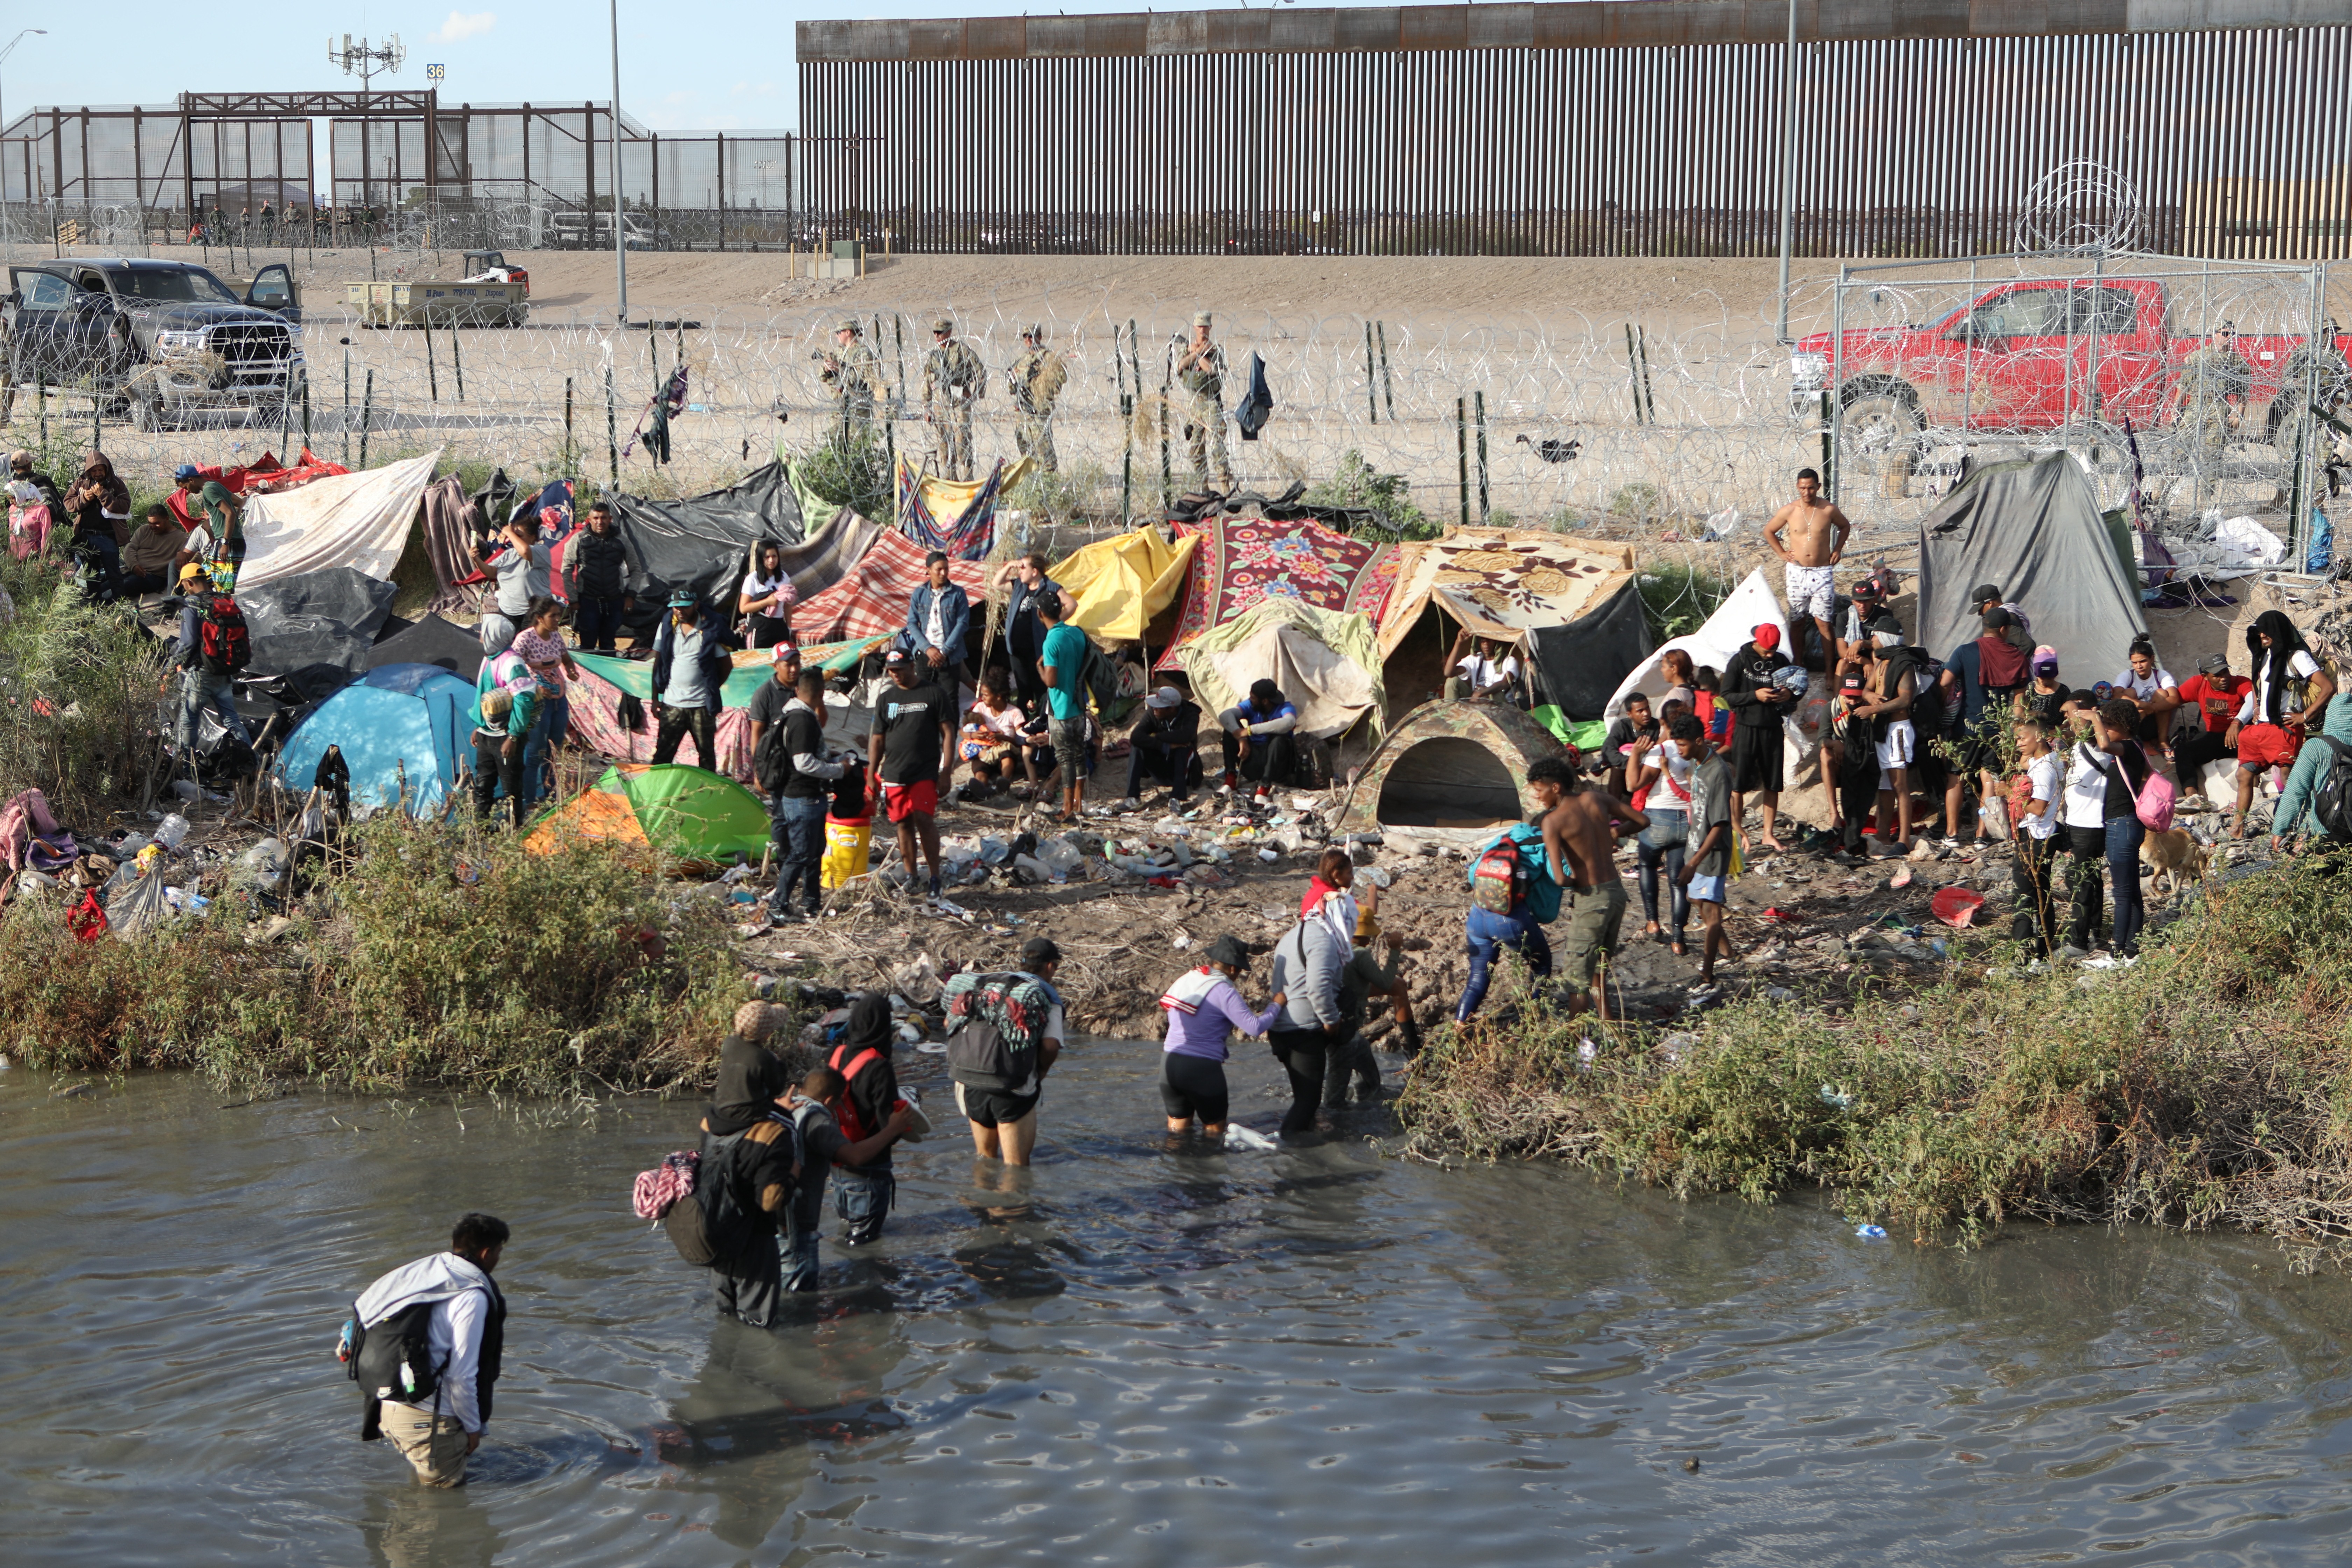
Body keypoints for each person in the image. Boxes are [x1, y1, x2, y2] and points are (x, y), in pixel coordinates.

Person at [348, 1213, 510, 1488]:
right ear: (486, 1253)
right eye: (499, 1252)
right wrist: (474, 1429)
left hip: (390, 1408)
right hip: (429, 1421)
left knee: (420, 1499)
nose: (497, 1259)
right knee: (444, 1513)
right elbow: (462, 1376)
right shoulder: (471, 1296)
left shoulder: (425, 1276)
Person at [1454, 756, 1575, 1024]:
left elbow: (1474, 873)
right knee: (1541, 965)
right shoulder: (1546, 845)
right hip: (1509, 918)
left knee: (1478, 977)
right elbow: (1561, 877)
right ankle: (1532, 1023)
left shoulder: (1505, 838)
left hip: (1477, 915)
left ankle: (1459, 1027)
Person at [697, 1012, 799, 1326]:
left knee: (727, 1320)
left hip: (715, 1236)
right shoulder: (772, 1134)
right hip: (753, 1242)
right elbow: (770, 1200)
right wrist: (794, 1173)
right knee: (758, 1328)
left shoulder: (708, 1124)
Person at [779, 1065, 914, 1292]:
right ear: (832, 1100)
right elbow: (854, 1156)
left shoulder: (781, 1108)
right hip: (795, 1227)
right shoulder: (817, 1120)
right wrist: (893, 1129)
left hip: (770, 1216)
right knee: (800, 1299)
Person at [1542, 757, 1645, 1020]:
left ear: (1555, 787)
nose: (1536, 796)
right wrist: (1615, 833)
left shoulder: (1552, 821)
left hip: (1591, 900)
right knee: (1599, 966)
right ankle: (1609, 1025)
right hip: (1616, 893)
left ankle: (1577, 1040)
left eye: (1538, 788)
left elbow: (1560, 879)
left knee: (1577, 977)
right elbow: (1642, 821)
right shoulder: (1597, 799)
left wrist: (1575, 881)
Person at [953, 937, 1066, 1166]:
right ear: (1051, 966)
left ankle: (979, 1201)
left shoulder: (992, 984)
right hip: (1011, 1088)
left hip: (970, 1081)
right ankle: (1012, 1203)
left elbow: (951, 1025)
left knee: (984, 1161)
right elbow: (1050, 1045)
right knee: (1016, 1169)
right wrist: (1041, 1072)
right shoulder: (1043, 995)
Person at [1158, 934, 1283, 1141]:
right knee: (1213, 1134)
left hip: (1169, 1066)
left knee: (1177, 1134)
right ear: (1234, 969)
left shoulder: (1188, 981)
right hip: (1202, 1069)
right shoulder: (1224, 990)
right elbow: (1254, 1027)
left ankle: (1174, 1172)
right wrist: (1276, 1005)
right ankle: (1209, 1171)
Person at [2230, 610, 2336, 838]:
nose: (2261, 635)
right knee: (2244, 775)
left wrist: (2305, 716)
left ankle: (2302, 829)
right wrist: (2257, 707)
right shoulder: (2265, 656)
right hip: (2260, 729)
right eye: (2259, 631)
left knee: (2290, 779)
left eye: (2266, 630)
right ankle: (2238, 827)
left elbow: (2327, 687)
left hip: (2285, 728)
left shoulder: (2296, 656)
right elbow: (2260, 686)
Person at [754, 666, 843, 922]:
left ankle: (811, 904)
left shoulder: (789, 716)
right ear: (822, 693)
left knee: (815, 851)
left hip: (798, 796)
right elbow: (804, 762)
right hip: (803, 797)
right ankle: (779, 905)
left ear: (797, 690)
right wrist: (839, 770)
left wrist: (833, 759)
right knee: (802, 854)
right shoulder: (802, 720)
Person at [1937, 608, 2032, 843]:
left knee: (1955, 777)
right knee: (1989, 778)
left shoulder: (1965, 652)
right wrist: (2014, 727)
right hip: (1998, 729)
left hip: (1966, 728)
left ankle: (1952, 834)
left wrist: (1941, 712)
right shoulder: (2017, 657)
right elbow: (2020, 699)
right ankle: (1982, 836)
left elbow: (1945, 684)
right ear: (2004, 629)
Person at [826, 993, 911, 1245]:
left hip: (838, 1166)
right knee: (865, 1243)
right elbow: (890, 1126)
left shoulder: (837, 1055)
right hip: (869, 1170)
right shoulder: (879, 1066)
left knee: (849, 1232)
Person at [869, 650, 954, 899]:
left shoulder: (933, 693)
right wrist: (871, 774)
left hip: (925, 771)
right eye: (891, 670)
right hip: (895, 772)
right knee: (903, 824)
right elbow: (877, 740)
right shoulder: (886, 699)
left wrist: (946, 771)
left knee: (924, 820)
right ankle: (911, 876)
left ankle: (936, 876)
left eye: (900, 669)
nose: (895, 674)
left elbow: (948, 733)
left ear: (912, 667)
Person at [1269, 881, 1347, 1136]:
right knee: (1308, 1102)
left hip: (1281, 1029)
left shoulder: (1290, 936)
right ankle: (1287, 1154)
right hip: (1303, 1032)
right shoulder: (1322, 939)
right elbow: (1318, 987)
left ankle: (1299, 1147)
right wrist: (1332, 1022)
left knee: (1303, 1099)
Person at [1763, 468, 1852, 669]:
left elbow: (1845, 526)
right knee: (1797, 621)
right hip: (1796, 572)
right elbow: (1768, 531)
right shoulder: (1790, 510)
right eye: (1803, 488)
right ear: (1797, 487)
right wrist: (1782, 553)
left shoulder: (1828, 510)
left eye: (1811, 488)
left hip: (1822, 572)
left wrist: (1838, 549)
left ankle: (1830, 671)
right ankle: (1799, 664)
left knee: (1824, 624)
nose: (1807, 492)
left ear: (1818, 487)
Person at [1675, 714, 1737, 999]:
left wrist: (1693, 862)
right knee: (1695, 900)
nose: (1680, 751)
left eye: (1683, 746)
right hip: (1695, 845)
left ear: (1699, 742)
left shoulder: (1718, 772)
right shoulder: (1698, 764)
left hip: (1711, 853)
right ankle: (1728, 951)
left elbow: (1720, 824)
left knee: (1712, 915)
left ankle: (1707, 972)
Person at [168, 562, 253, 763]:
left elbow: (188, 643)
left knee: (189, 722)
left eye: (184, 585)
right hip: (223, 670)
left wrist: (170, 667)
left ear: (188, 583)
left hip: (201, 674)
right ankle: (253, 762)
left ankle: (187, 768)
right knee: (232, 720)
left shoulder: (191, 604)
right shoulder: (223, 599)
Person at [1628, 700, 1694, 951]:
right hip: (1686, 820)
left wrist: (1636, 754)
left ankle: (1653, 923)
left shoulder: (1662, 751)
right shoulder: (1695, 749)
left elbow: (1632, 785)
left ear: (1664, 723)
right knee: (1679, 881)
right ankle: (1678, 939)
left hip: (1658, 817)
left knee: (1647, 865)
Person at [1723, 624, 1793, 852]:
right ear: (1757, 642)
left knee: (1773, 783)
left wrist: (1788, 695)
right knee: (1739, 784)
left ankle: (1768, 835)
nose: (1771, 654)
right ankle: (1737, 832)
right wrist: (1755, 695)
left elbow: (1796, 693)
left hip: (1773, 728)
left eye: (1774, 649)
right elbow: (1726, 696)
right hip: (1745, 728)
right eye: (1767, 650)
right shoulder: (1740, 660)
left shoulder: (1782, 661)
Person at [1854, 615, 1920, 850]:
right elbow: (1867, 690)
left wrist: (1873, 708)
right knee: (1884, 785)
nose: (1872, 637)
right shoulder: (1882, 662)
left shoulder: (1904, 664)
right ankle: (1883, 835)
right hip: (1882, 730)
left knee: (1900, 785)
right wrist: (1869, 696)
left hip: (1898, 730)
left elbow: (1905, 699)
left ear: (1884, 637)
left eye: (1875, 634)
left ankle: (1903, 839)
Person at [649, 588, 735, 769]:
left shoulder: (710, 629)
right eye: (676, 607)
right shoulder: (667, 627)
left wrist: (711, 687)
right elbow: (657, 663)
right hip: (672, 704)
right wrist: (655, 698)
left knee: (706, 757)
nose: (680, 611)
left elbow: (727, 665)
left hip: (701, 707)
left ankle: (706, 795)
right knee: (662, 756)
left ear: (696, 605)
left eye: (685, 607)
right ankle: (655, 795)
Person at [510, 599, 578, 804]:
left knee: (555, 751)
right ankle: (530, 801)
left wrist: (571, 670)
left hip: (559, 699)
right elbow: (513, 668)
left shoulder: (557, 637)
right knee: (536, 752)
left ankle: (552, 798)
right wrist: (535, 688)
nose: (558, 619)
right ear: (539, 618)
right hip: (538, 703)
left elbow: (566, 659)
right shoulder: (525, 640)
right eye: (553, 616)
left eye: (559, 615)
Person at [2009, 717, 2064, 958]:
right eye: (2017, 739)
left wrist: (2009, 792)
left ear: (2039, 737)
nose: (2019, 743)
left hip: (2036, 836)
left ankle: (2024, 955)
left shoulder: (2044, 770)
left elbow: (2039, 807)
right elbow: (2026, 760)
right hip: (2041, 834)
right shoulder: (2045, 762)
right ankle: (2043, 951)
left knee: (2025, 897)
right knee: (2041, 893)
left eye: (2023, 738)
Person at [1036, 589, 1092, 822]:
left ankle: (1067, 808)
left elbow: (1051, 681)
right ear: (1060, 611)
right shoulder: (1076, 633)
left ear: (1041, 614)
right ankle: (1079, 804)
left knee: (1065, 759)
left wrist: (1039, 666)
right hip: (1079, 707)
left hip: (1060, 710)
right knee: (1079, 756)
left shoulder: (1052, 641)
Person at [2273, 690, 2352, 846]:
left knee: (2294, 868)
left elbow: (2296, 791)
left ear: (2332, 717)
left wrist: (2279, 830)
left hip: (2321, 830)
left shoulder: (2317, 746)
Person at [2170, 321, 2251, 471]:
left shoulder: (2237, 362)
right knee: (2179, 453)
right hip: (2196, 407)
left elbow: (2242, 393)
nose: (2229, 338)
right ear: (2215, 335)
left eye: (2232, 335)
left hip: (2219, 409)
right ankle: (2161, 492)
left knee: (2212, 459)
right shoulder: (2198, 357)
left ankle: (2206, 494)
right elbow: (2184, 386)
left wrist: (2238, 416)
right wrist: (2176, 410)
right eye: (2225, 334)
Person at [1823, 666, 1882, 855]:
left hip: (1870, 760)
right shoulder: (1832, 708)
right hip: (1843, 762)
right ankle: (1834, 813)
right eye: (1849, 697)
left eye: (1857, 698)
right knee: (1825, 754)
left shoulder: (1871, 710)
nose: (1852, 702)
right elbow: (1821, 739)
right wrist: (1835, 744)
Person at [2174, 652, 2249, 797]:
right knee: (2183, 751)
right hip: (2217, 739)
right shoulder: (2198, 684)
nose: (2224, 678)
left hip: (2242, 737)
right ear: (2205, 677)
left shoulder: (2241, 682)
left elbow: (2252, 702)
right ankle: (2193, 796)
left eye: (2226, 672)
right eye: (2217, 675)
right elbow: (2172, 701)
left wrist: (2237, 723)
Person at [565, 502, 637, 653]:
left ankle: (607, 675)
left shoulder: (622, 541)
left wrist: (631, 596)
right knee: (587, 645)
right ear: (589, 519)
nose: (600, 522)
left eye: (604, 518)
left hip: (614, 601)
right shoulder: (579, 540)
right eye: (596, 518)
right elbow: (566, 569)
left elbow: (636, 569)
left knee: (609, 646)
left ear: (610, 519)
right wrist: (573, 599)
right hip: (587, 601)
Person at [994, 553, 1063, 710]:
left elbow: (1071, 604)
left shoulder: (1050, 588)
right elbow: (996, 583)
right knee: (1023, 689)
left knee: (1041, 689)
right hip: (1017, 650)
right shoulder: (1019, 586)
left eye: (1023, 567)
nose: (1020, 571)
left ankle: (1043, 723)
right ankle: (1024, 726)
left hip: (1037, 649)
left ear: (1035, 572)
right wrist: (1010, 565)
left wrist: (1055, 623)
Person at [1217, 679, 1301, 806]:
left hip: (1276, 767)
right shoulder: (1251, 706)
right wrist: (1242, 738)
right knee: (1230, 731)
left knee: (1280, 737)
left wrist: (1250, 731)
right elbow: (1226, 715)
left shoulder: (1286, 708)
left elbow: (1288, 723)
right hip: (1252, 761)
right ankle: (1230, 780)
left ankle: (1264, 788)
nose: (1250, 700)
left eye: (1254, 698)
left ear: (1265, 701)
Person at [922, 317, 986, 480]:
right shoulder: (935, 356)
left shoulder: (961, 351)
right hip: (940, 406)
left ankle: (967, 480)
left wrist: (976, 394)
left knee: (961, 444)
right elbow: (928, 381)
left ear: (949, 333)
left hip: (959, 404)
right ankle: (951, 480)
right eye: (935, 333)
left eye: (941, 333)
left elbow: (980, 371)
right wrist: (927, 407)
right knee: (945, 446)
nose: (937, 336)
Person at [62, 450, 131, 602]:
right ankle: (95, 607)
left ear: (107, 469)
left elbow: (125, 506)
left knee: (114, 575)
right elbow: (69, 504)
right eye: (94, 471)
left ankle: (119, 606)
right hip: (87, 537)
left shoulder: (116, 484)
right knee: (92, 576)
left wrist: (104, 495)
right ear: (88, 471)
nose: (98, 474)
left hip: (107, 536)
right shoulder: (81, 482)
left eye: (101, 470)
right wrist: (84, 498)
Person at [1177, 310, 1234, 491]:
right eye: (1199, 326)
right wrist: (1196, 352)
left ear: (1210, 327)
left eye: (1205, 326)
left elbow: (1211, 371)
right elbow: (1180, 366)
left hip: (1211, 403)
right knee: (1196, 446)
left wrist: (1199, 354)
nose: (1202, 330)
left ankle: (1224, 482)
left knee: (1216, 443)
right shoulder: (1186, 349)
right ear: (1194, 327)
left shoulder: (1216, 351)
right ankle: (1203, 486)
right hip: (1195, 403)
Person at [468, 682, 539, 828]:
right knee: (483, 785)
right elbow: (484, 698)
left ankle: (513, 830)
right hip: (485, 735)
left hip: (506, 737)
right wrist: (479, 726)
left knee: (511, 788)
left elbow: (523, 700)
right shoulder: (490, 661)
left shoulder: (511, 663)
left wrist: (513, 737)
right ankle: (480, 830)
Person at [901, 550, 972, 690]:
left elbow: (962, 623)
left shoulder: (958, 593)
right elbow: (912, 623)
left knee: (950, 699)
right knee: (924, 697)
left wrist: (944, 651)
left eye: (946, 569)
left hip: (949, 655)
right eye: (939, 569)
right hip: (925, 654)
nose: (943, 573)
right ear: (929, 571)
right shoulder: (920, 593)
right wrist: (928, 649)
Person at [1122, 683, 1203, 806]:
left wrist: (1158, 736)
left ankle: (1177, 798)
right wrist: (1164, 745)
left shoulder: (1190, 715)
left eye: (1159, 707)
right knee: (1138, 746)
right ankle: (1133, 797)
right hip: (1162, 768)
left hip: (1185, 773)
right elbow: (1136, 737)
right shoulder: (1153, 713)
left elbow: (1186, 736)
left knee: (1184, 747)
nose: (1154, 708)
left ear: (1171, 709)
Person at [960, 672, 1037, 796]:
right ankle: (981, 786)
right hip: (985, 753)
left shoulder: (1014, 713)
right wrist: (973, 736)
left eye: (986, 695)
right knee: (980, 767)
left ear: (998, 697)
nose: (983, 698)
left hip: (1005, 753)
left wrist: (1003, 738)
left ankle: (1004, 782)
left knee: (1007, 755)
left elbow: (1020, 740)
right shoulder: (980, 708)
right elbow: (964, 731)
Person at [473, 518, 538, 657]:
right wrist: (476, 559)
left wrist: (509, 532)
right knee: (509, 652)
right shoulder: (508, 555)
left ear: (533, 539)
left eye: (519, 536)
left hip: (531, 612)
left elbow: (525, 551)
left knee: (530, 651)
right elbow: (491, 572)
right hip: (508, 612)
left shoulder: (540, 552)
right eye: (513, 536)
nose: (513, 539)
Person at [1008, 324, 1068, 473]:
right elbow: (1012, 387)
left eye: (1032, 336)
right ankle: (1033, 477)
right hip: (1022, 410)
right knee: (1025, 445)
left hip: (1039, 408)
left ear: (1040, 337)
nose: (1029, 339)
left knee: (1043, 446)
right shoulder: (1022, 360)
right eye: (1025, 337)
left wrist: (1042, 381)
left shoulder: (1048, 357)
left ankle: (1049, 479)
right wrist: (1014, 379)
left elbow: (1061, 378)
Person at [2110, 637, 2182, 756]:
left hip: (2156, 723)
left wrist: (2151, 709)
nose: (2139, 666)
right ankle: (2130, 740)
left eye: (2143, 661)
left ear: (2152, 659)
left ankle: (2163, 741)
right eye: (2135, 663)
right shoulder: (2128, 675)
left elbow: (2175, 699)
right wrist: (2140, 704)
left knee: (2162, 694)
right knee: (2129, 693)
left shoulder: (2162, 675)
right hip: (2135, 722)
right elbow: (2116, 695)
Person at [818, 319, 886, 438]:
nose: (837, 336)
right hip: (839, 403)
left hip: (858, 404)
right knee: (834, 439)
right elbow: (822, 377)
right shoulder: (839, 352)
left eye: (839, 332)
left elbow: (863, 378)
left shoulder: (863, 353)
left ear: (848, 333)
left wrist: (841, 370)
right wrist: (827, 369)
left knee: (858, 441)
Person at [734, 540, 797, 650]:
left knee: (781, 661)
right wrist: (767, 602)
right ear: (761, 559)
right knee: (758, 661)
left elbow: (787, 605)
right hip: (760, 626)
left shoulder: (784, 577)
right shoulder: (752, 579)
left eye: (774, 556)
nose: (771, 560)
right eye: (767, 557)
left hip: (779, 625)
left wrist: (789, 628)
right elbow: (744, 608)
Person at [119, 503, 188, 599]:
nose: (153, 527)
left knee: (121, 587)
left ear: (167, 519)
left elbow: (190, 554)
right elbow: (130, 549)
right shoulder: (144, 530)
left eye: (157, 523)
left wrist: (183, 554)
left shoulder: (182, 538)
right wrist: (134, 566)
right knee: (105, 586)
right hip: (130, 570)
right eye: (150, 523)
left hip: (153, 577)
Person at [1601, 693, 1657, 799]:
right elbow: (1608, 750)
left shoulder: (1657, 727)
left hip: (1650, 772)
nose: (1646, 714)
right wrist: (1632, 763)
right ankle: (1614, 811)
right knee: (1616, 768)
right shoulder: (1622, 727)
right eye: (1640, 711)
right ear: (1629, 714)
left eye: (1647, 709)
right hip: (1627, 775)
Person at [1447, 630, 1521, 702]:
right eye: (1483, 640)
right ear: (1478, 642)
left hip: (1500, 702)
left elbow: (1505, 683)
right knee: (1452, 681)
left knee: (1487, 695)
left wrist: (1482, 693)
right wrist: (1458, 642)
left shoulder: (1509, 661)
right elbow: (1449, 673)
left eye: (1489, 640)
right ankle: (1450, 713)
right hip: (1476, 697)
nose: (1486, 644)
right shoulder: (1475, 659)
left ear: (1496, 641)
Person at [2013, 645, 2073, 731]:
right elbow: (2021, 711)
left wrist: (2057, 731)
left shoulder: (2063, 691)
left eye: (2049, 678)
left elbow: (2068, 717)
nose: (2046, 681)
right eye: (2042, 678)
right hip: (2034, 729)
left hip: (2056, 730)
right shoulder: (2030, 689)